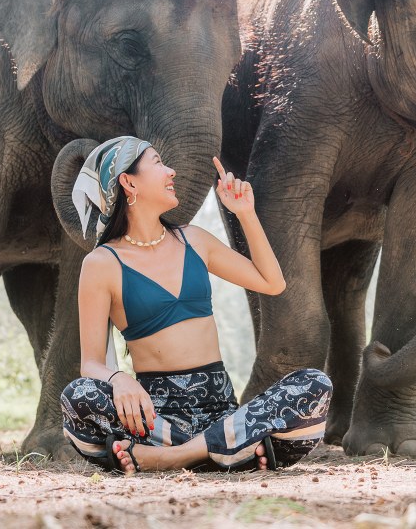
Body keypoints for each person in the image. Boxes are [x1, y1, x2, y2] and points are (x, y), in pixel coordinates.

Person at [60, 136, 332, 474]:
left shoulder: (195, 240)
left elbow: (272, 283)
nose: (171, 171)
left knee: (314, 384)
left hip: (221, 410)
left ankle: (174, 457)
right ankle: (229, 449)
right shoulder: (102, 264)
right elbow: (91, 363)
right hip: (156, 419)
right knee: (79, 396)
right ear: (129, 182)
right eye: (158, 163)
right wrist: (119, 378)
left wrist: (245, 213)